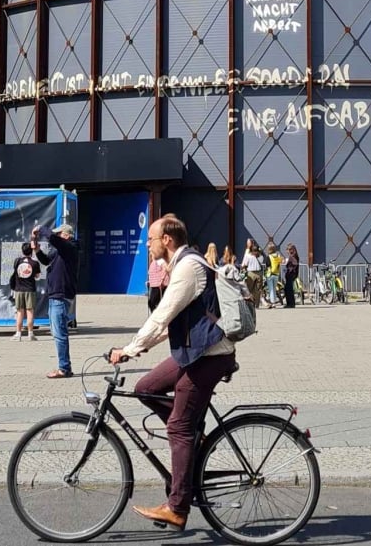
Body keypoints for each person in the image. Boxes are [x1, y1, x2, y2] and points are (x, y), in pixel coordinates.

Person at [108, 215, 237, 531]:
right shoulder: (180, 266)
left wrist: (130, 348)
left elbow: (163, 315)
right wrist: (145, 347)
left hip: (209, 356)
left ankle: (177, 508)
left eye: (151, 239)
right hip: (193, 353)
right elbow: (184, 319)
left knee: (177, 426)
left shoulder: (188, 267)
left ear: (167, 240)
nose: (147, 245)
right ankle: (193, 434)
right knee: (146, 387)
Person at [36, 222, 79, 378]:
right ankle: (64, 366)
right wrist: (37, 250)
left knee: (60, 333)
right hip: (55, 295)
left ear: (66, 235)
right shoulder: (60, 251)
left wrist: (41, 228)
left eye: (59, 234)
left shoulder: (70, 247)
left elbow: (53, 239)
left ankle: (64, 368)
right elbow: (47, 261)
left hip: (61, 295)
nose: (57, 237)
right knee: (57, 332)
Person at [10, 242, 40, 340]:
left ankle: (18, 334)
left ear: (22, 251)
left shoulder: (17, 261)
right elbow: (37, 276)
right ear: (31, 251)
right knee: (30, 311)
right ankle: (30, 334)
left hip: (19, 289)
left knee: (19, 312)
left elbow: (15, 273)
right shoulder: (35, 263)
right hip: (30, 289)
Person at [241, 241, 264, 307]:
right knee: (250, 289)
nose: (255, 252)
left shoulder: (260, 257)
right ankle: (251, 303)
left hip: (256, 272)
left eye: (256, 250)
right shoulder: (248, 256)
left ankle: (256, 304)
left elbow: (244, 264)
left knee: (257, 289)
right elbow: (245, 264)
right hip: (252, 272)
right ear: (252, 251)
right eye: (254, 251)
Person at [283, 243, 300, 309]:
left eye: (288, 249)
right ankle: (290, 303)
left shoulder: (292, 256)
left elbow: (294, 264)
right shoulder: (294, 256)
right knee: (287, 289)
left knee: (288, 289)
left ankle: (291, 303)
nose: (287, 251)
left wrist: (290, 268)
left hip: (290, 275)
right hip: (291, 275)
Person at [265, 243, 283, 308]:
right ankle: (274, 301)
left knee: (271, 289)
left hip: (270, 274)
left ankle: (273, 303)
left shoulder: (268, 257)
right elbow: (281, 262)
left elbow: (267, 265)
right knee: (274, 289)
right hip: (276, 274)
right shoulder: (278, 256)